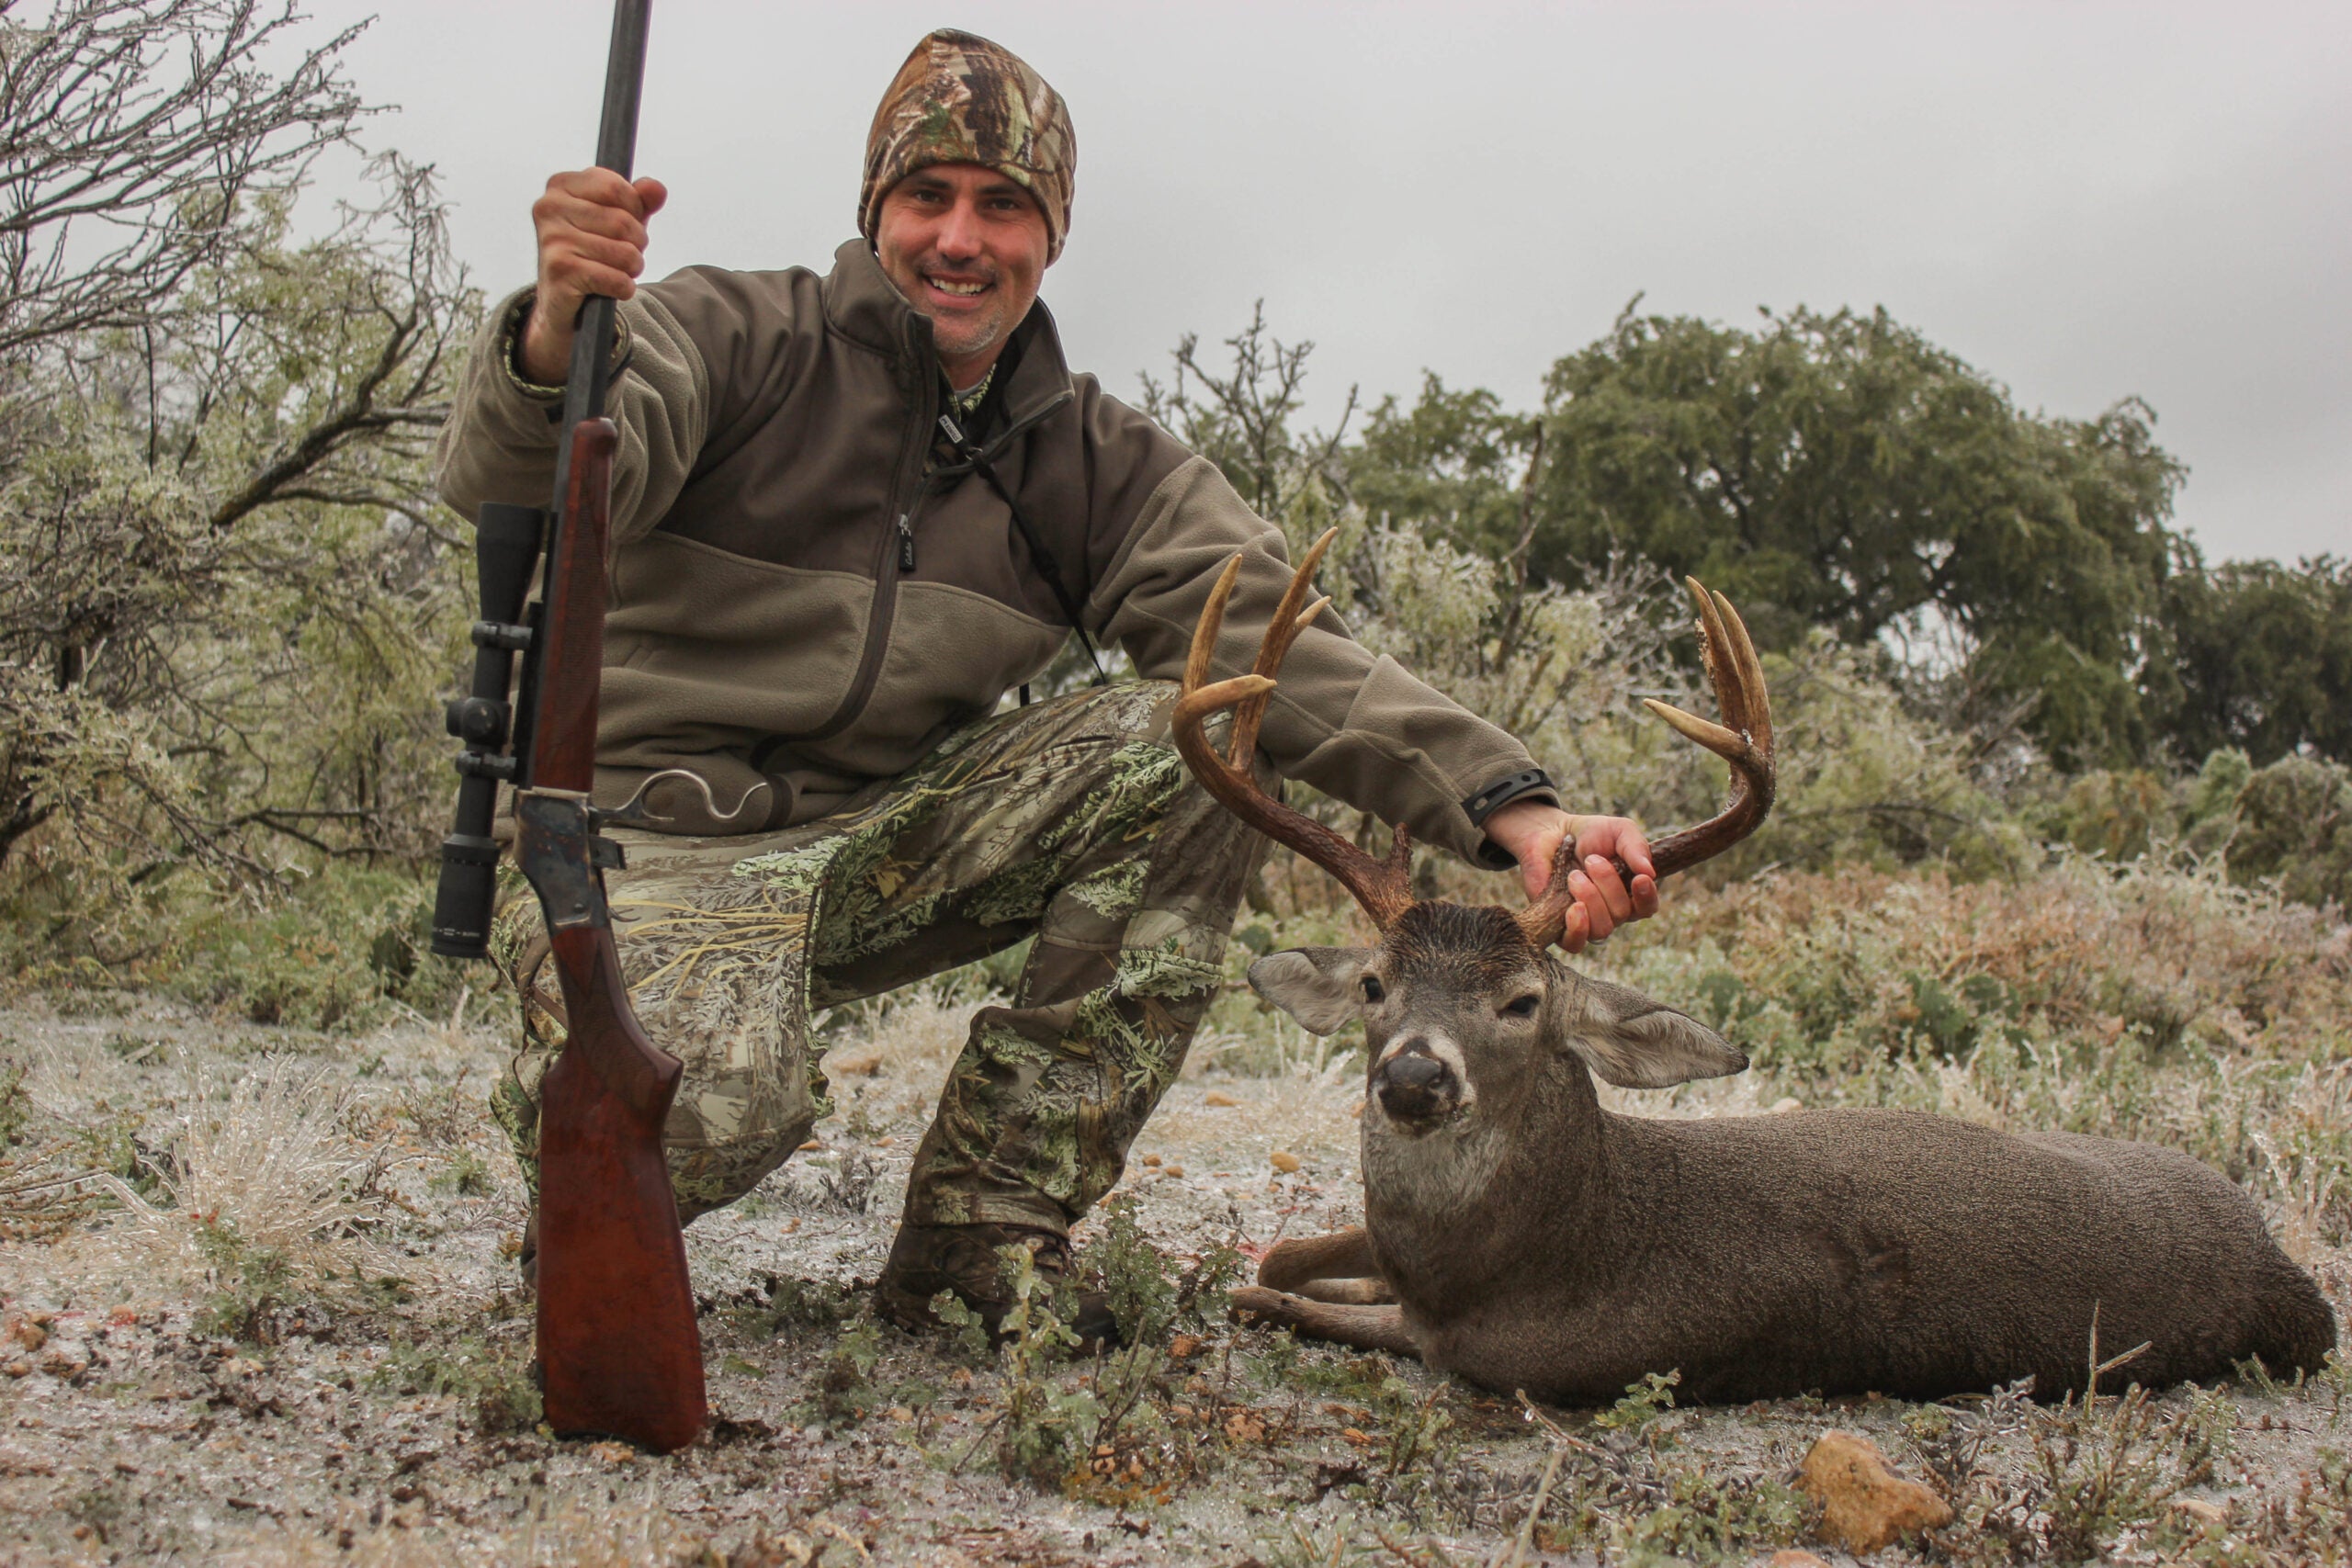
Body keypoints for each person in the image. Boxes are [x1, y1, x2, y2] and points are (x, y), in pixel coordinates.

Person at [433, 29, 1658, 1340]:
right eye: (928, 198)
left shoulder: (1087, 456)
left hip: (875, 849)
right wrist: (561, 328)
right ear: (876, 212)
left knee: (1184, 739)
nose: (961, 239)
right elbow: (524, 475)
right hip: (643, 849)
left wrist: (1514, 807)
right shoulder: (726, 333)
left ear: (1050, 237)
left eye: (1003, 207)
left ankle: (983, 1235)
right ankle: (576, 1137)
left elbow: (1270, 648)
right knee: (695, 1126)